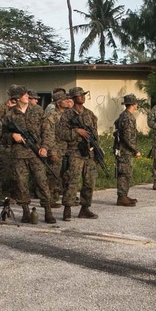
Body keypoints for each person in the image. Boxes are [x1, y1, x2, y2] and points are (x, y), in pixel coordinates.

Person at [2, 84, 57, 224]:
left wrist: (45, 147)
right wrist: (12, 136)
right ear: (17, 98)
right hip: (19, 155)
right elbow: (2, 135)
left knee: (42, 182)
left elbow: (48, 131)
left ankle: (48, 211)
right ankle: (26, 211)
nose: (27, 96)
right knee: (21, 183)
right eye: (24, 94)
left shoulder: (38, 111)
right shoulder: (10, 115)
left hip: (36, 153)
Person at [58, 86, 100, 220]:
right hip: (74, 151)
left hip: (88, 152)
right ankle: (67, 208)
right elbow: (61, 133)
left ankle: (85, 208)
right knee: (72, 180)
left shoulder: (90, 114)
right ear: (73, 98)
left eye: (83, 95)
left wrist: (96, 147)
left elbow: (95, 133)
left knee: (90, 181)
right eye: (79, 95)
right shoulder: (67, 115)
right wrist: (77, 132)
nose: (82, 97)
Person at [0, 91, 19, 206]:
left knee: (15, 171)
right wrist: (3, 135)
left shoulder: (18, 109)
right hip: (5, 143)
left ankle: (13, 195)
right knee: (2, 170)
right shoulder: (1, 108)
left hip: (16, 144)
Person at [114, 94, 142, 206]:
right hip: (124, 150)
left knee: (126, 173)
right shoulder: (128, 117)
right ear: (134, 104)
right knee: (124, 173)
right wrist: (135, 150)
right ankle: (121, 197)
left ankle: (124, 195)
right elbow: (126, 137)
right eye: (136, 103)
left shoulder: (124, 115)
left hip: (125, 149)